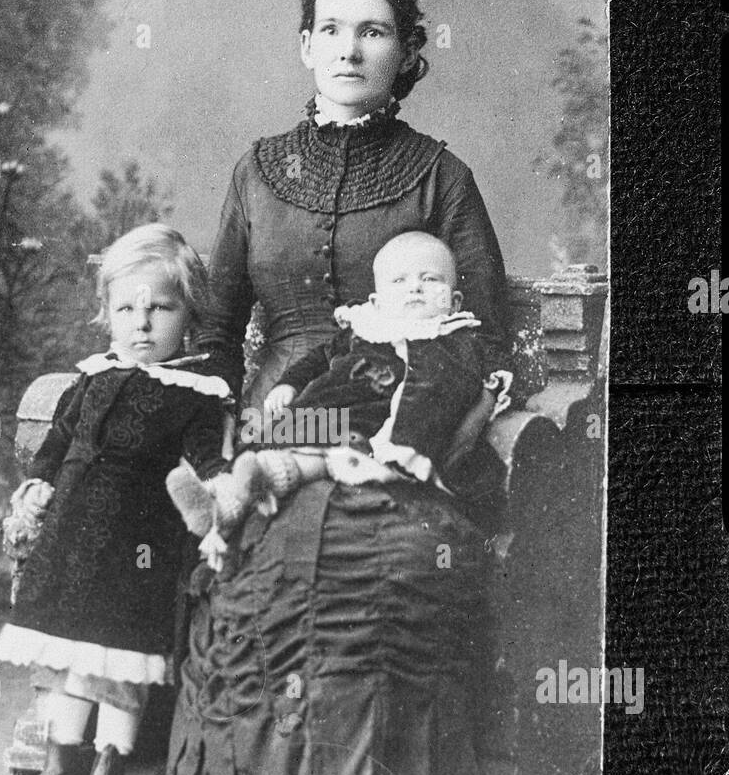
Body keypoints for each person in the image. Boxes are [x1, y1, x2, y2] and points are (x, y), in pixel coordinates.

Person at [144, 0, 515, 775]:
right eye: (334, 30)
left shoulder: (441, 174)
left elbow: (490, 327)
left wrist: (450, 430)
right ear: (307, 46)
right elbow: (221, 327)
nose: (352, 48)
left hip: (408, 428)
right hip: (278, 420)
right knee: (268, 540)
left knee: (378, 562)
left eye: (375, 30)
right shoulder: (256, 169)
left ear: (406, 53)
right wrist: (215, 427)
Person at [0, 225, 230, 775]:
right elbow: (57, 442)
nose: (142, 323)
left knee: (120, 665)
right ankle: (58, 767)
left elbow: (210, 460)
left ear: (189, 315)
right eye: (127, 308)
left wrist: (220, 494)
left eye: (160, 308)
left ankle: (108, 772)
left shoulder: (196, 393)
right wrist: (38, 481)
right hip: (72, 540)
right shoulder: (91, 378)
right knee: (65, 657)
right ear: (107, 314)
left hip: (139, 550)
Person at [165, 231, 488, 566]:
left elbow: (444, 392)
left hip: (364, 427)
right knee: (266, 440)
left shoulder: (453, 342)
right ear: (377, 301)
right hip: (316, 411)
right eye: (400, 280)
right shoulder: (367, 327)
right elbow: (320, 357)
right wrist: (289, 383)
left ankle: (238, 500)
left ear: (455, 300)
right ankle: (219, 497)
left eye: (430, 278)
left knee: (316, 460)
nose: (415, 287)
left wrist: (403, 447)